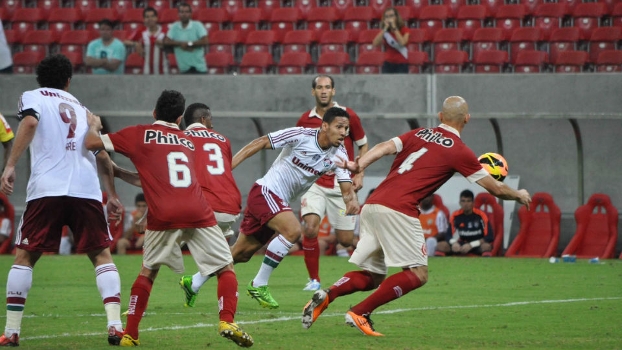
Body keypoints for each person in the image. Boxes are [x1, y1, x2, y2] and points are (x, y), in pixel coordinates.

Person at [301, 96, 531, 336]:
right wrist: (519, 194)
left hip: (374, 203)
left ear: (440, 117)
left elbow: (382, 148)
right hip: (399, 209)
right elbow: (496, 188)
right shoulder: (460, 151)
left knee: (373, 276)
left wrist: (358, 165)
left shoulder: (419, 133)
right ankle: (360, 312)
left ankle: (328, 294)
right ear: (467, 119)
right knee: (418, 274)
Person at [84, 90, 253, 347]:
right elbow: (172, 179)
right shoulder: (186, 140)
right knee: (224, 267)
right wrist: (121, 173)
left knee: (148, 271)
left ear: (154, 113)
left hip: (164, 214)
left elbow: (92, 144)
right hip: (198, 210)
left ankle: (130, 334)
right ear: (178, 118)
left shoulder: (138, 134)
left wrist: (93, 126)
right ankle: (227, 320)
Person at [0, 54, 125, 346]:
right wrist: (113, 195)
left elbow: (30, 123)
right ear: (68, 81)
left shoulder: (31, 96)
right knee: (101, 255)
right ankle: (115, 325)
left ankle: (12, 330)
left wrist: (10, 165)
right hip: (86, 190)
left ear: (39, 79)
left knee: (25, 256)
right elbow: (102, 155)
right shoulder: (83, 110)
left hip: (47, 188)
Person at [231, 106, 360, 309]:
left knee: (241, 253)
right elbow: (261, 141)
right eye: (340, 127)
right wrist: (227, 169)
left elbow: (345, 190)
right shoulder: (300, 135)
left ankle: (194, 281)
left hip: (278, 201)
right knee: (293, 230)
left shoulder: (340, 154)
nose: (344, 132)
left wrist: (350, 200)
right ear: (325, 126)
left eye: (347, 128)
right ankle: (259, 284)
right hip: (266, 191)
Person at [296, 75, 368, 291]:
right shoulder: (305, 120)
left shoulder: (348, 116)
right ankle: (314, 280)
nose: (324, 91)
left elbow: (363, 145)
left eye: (328, 87)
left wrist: (360, 173)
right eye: (319, 87)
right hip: (314, 183)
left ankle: (371, 263)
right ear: (313, 92)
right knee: (310, 229)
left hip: (341, 185)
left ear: (333, 91)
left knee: (345, 240)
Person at [436, 189, 494, 256]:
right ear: (460, 203)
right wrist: (454, 243)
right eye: (463, 201)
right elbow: (448, 235)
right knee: (441, 245)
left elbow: (489, 236)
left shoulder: (481, 215)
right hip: (461, 244)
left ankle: (485, 266)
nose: (466, 204)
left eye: (468, 201)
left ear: (473, 203)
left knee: (486, 246)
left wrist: (471, 245)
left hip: (476, 244)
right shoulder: (455, 215)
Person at [164, 2, 208, 74]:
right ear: (178, 14)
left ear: (191, 14)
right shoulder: (174, 27)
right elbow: (166, 41)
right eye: (182, 12)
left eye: (187, 12)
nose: (184, 14)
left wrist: (189, 44)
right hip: (183, 69)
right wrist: (181, 43)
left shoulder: (197, 25)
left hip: (199, 68)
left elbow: (205, 41)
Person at [125, 7, 169, 75]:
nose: (150, 19)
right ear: (143, 19)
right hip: (146, 71)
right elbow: (125, 42)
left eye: (152, 16)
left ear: (157, 18)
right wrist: (135, 44)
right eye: (147, 17)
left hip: (163, 71)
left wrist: (165, 43)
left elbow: (174, 43)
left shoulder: (165, 31)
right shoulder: (141, 31)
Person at [372, 7, 410, 74]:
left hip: (402, 63)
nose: (389, 18)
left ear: (396, 17)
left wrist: (394, 27)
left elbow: (403, 42)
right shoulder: (386, 32)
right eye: (387, 16)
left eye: (391, 16)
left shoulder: (405, 30)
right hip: (388, 63)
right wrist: (384, 28)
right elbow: (375, 43)